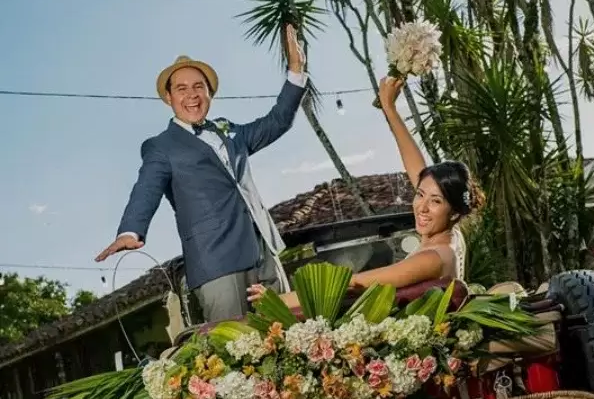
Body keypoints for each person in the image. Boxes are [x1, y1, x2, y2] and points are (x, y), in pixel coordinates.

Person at [96, 25, 307, 320]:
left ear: (209, 93)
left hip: (264, 250)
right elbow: (146, 188)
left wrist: (296, 70)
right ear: (168, 98)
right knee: (234, 348)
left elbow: (278, 121)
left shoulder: (230, 131)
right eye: (181, 89)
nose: (192, 95)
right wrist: (130, 230)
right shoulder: (161, 147)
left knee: (288, 331)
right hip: (216, 261)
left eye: (199, 87)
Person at [249, 75, 481, 307]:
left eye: (436, 202)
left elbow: (354, 282)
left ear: (454, 212)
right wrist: (389, 109)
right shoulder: (450, 235)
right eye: (420, 195)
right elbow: (420, 172)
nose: (422, 206)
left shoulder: (432, 258)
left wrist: (278, 300)